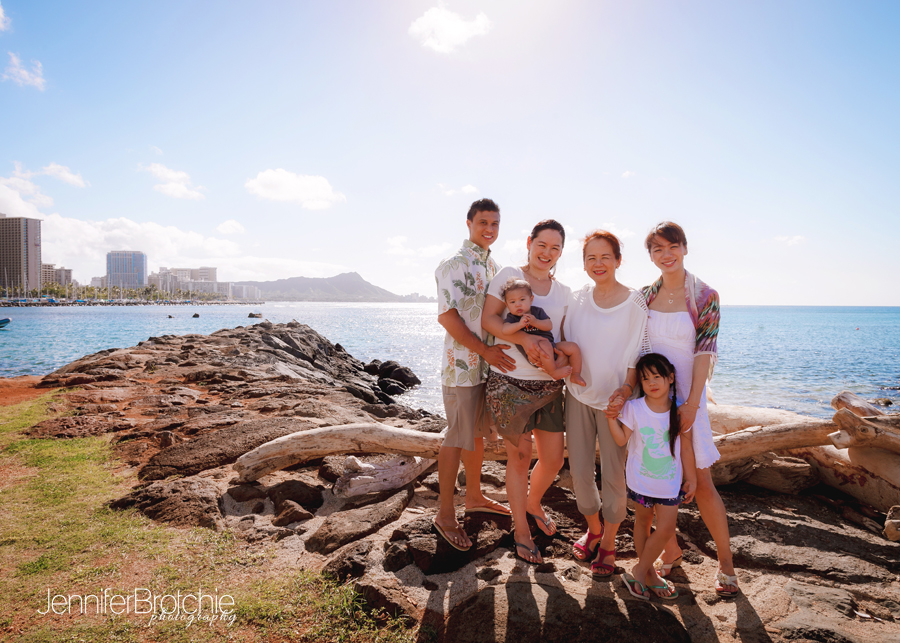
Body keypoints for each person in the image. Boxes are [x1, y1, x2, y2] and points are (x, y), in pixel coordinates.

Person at [642, 221, 739, 597]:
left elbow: (704, 353)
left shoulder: (705, 295)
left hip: (688, 400)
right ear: (650, 255)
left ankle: (727, 564)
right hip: (650, 399)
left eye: (672, 247)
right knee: (652, 480)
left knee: (701, 485)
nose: (665, 255)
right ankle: (671, 550)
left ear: (684, 247)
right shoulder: (644, 296)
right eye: (657, 250)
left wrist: (692, 405)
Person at [481, 219, 571, 564]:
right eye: (542, 245)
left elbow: (559, 334)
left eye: (555, 248)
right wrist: (524, 338)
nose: (547, 253)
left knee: (552, 459)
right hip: (510, 383)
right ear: (530, 243)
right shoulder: (508, 275)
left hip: (549, 385)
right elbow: (489, 320)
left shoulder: (562, 292)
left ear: (561, 252)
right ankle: (521, 530)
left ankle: (533, 504)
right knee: (519, 458)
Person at [563, 230, 651, 577]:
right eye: (590, 258)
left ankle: (610, 541)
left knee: (615, 476)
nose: (598, 264)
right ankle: (593, 528)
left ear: (618, 260)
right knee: (581, 472)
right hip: (578, 397)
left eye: (605, 257)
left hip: (617, 404)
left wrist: (626, 392)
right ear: (584, 263)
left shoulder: (635, 303)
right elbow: (564, 343)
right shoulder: (577, 299)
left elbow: (637, 355)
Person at [432, 198, 513, 551]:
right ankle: (445, 513)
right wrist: (483, 351)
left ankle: (475, 496)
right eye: (483, 222)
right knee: (457, 436)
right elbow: (447, 317)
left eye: (495, 223)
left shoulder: (493, 265)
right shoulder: (454, 264)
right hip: (463, 366)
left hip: (487, 365)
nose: (489, 229)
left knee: (477, 435)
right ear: (469, 223)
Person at [609, 353, 697, 600]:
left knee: (667, 528)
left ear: (670, 378)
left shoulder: (679, 412)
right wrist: (609, 420)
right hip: (641, 480)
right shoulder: (634, 408)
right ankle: (649, 573)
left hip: (669, 483)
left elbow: (686, 448)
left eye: (657, 377)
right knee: (643, 523)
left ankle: (638, 570)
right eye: (645, 379)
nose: (652, 383)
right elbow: (621, 439)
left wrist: (692, 478)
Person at [499, 277, 585, 385]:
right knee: (544, 343)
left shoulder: (537, 311)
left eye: (522, 299)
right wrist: (519, 324)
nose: (518, 304)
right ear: (507, 305)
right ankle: (553, 372)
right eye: (512, 302)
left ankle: (576, 374)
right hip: (535, 352)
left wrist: (535, 322)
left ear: (531, 299)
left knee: (573, 347)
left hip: (552, 346)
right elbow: (505, 330)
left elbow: (548, 325)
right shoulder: (512, 317)